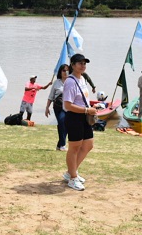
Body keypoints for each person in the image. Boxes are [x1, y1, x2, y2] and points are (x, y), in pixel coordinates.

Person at [62, 53, 97, 191]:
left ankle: (71, 172)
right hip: (74, 117)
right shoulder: (70, 82)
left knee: (88, 145)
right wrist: (87, 110)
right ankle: (72, 178)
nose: (83, 66)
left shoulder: (82, 78)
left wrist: (90, 108)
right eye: (80, 63)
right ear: (73, 65)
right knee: (74, 147)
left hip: (84, 116)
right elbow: (67, 105)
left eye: (84, 63)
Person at [45, 64, 69, 151]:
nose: (65, 72)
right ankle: (63, 144)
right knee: (61, 121)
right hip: (58, 107)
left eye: (67, 70)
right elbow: (51, 96)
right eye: (63, 70)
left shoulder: (71, 82)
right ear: (60, 72)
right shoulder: (56, 82)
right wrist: (47, 107)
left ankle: (59, 145)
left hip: (68, 107)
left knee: (66, 125)